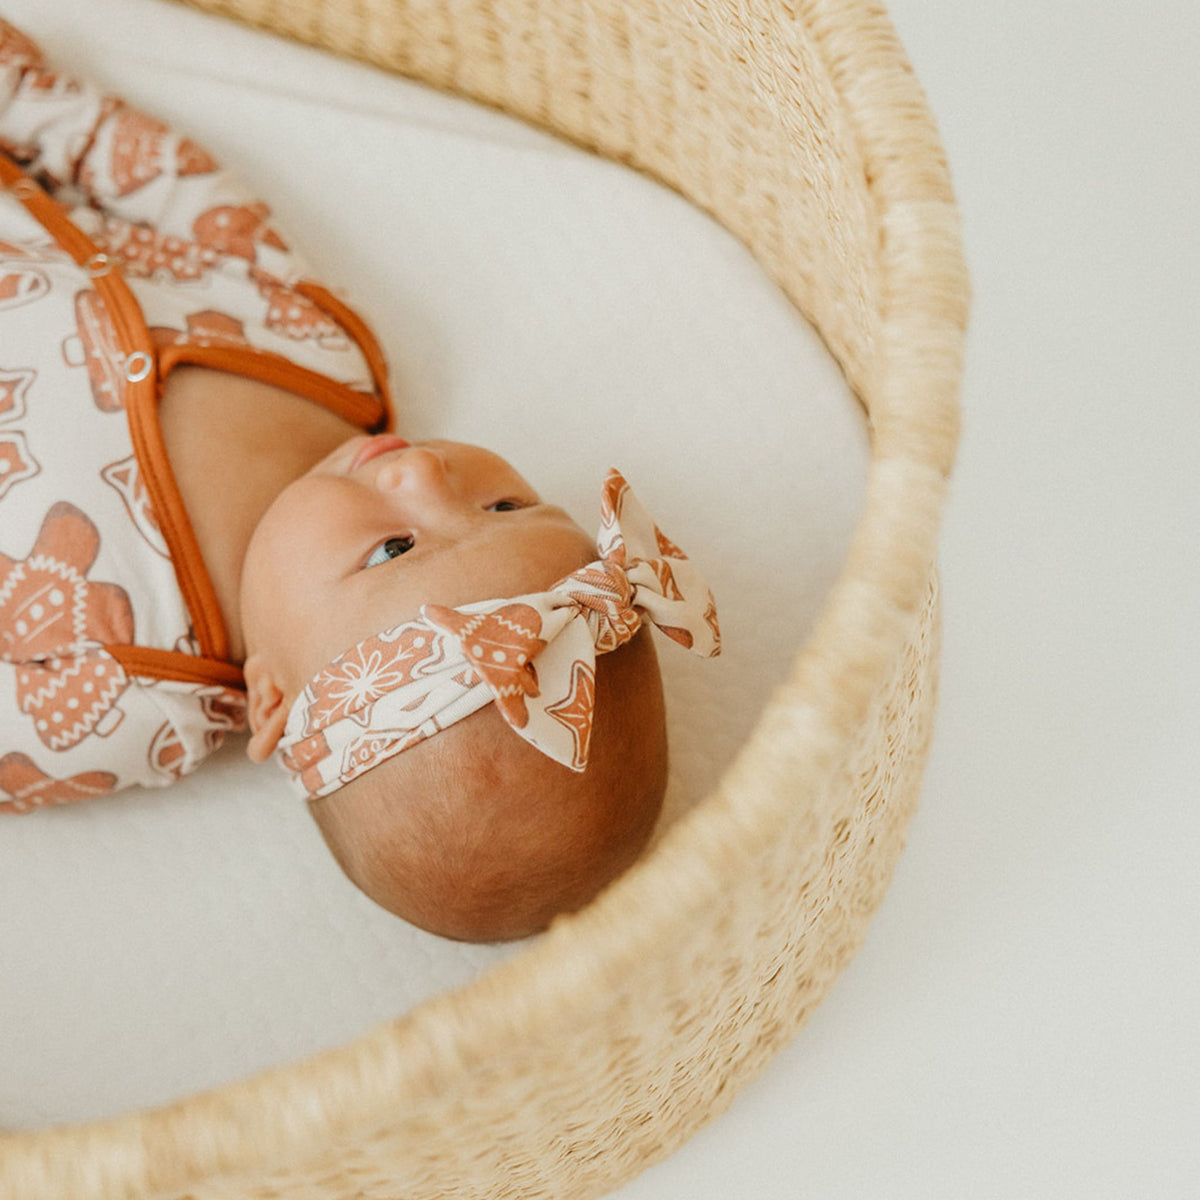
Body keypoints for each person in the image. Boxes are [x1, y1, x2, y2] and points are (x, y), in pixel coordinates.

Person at [0, 20, 719, 941]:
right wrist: (28, 95)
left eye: (394, 548)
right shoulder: (328, 364)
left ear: (271, 697)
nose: (422, 470)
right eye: (502, 505)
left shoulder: (125, 697)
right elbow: (185, 199)